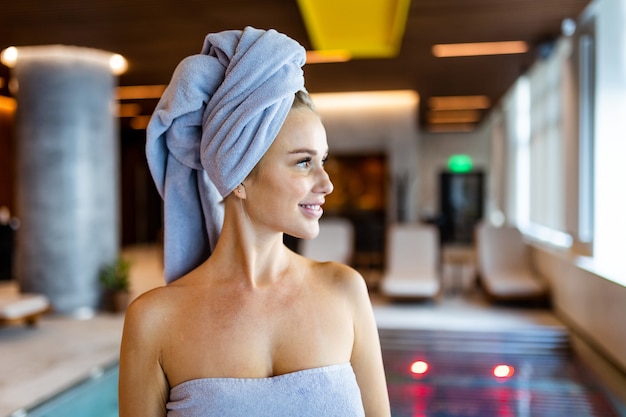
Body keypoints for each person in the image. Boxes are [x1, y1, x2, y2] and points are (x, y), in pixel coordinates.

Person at [119, 27, 390, 417]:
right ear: (240, 176)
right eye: (303, 162)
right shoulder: (153, 321)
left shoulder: (345, 291)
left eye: (323, 160)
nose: (326, 183)